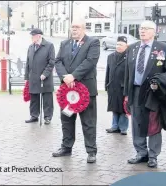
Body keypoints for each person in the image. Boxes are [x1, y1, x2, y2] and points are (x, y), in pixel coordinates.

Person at [123, 20, 166, 168]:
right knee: (136, 122)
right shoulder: (132, 48)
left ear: (154, 32)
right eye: (141, 28)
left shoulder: (164, 49)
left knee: (153, 123)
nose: (142, 31)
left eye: (146, 29)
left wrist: (160, 80)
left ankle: (153, 155)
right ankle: (141, 152)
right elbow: (127, 73)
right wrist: (126, 94)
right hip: (135, 91)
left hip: (153, 92)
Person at [52, 18, 100, 163]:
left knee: (88, 122)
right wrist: (65, 77)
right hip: (68, 92)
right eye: (72, 27)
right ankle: (66, 147)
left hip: (86, 90)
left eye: (77, 27)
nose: (74, 29)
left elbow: (90, 62)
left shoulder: (93, 43)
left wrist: (73, 76)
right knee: (66, 119)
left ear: (84, 29)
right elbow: (58, 61)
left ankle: (91, 151)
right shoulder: (65, 43)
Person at [24, 28, 55, 124]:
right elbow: (28, 63)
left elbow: (51, 62)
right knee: (34, 98)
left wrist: (45, 74)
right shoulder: (31, 47)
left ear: (39, 36)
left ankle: (47, 117)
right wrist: (27, 78)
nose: (32, 37)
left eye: (33, 36)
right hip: (33, 77)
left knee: (47, 99)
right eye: (31, 36)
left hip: (44, 78)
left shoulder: (49, 46)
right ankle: (34, 115)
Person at [105, 36, 129, 135]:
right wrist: (107, 85)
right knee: (114, 107)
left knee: (124, 108)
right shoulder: (110, 57)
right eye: (117, 44)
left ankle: (123, 128)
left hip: (124, 88)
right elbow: (108, 72)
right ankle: (115, 126)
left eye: (121, 45)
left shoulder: (129, 57)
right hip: (113, 86)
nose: (118, 46)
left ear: (126, 46)